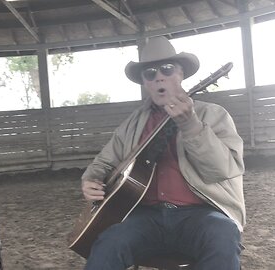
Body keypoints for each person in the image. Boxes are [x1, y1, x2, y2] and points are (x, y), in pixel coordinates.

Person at [81, 36, 246, 270]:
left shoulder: (214, 115)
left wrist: (190, 125)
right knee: (108, 243)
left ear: (181, 75)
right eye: (149, 73)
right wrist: (91, 179)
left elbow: (223, 169)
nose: (158, 76)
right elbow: (104, 162)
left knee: (222, 235)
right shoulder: (133, 124)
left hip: (200, 215)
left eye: (167, 69)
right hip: (146, 217)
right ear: (145, 83)